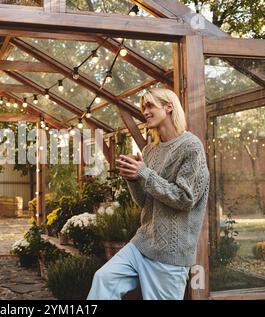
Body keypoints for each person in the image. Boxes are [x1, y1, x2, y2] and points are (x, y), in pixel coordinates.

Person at [87, 88, 209, 300]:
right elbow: (145, 202)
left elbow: (184, 199)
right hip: (142, 243)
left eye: (150, 105)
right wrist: (133, 178)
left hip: (170, 254)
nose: (145, 111)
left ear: (169, 107)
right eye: (143, 107)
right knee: (104, 279)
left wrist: (143, 172)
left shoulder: (191, 147)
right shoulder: (150, 151)